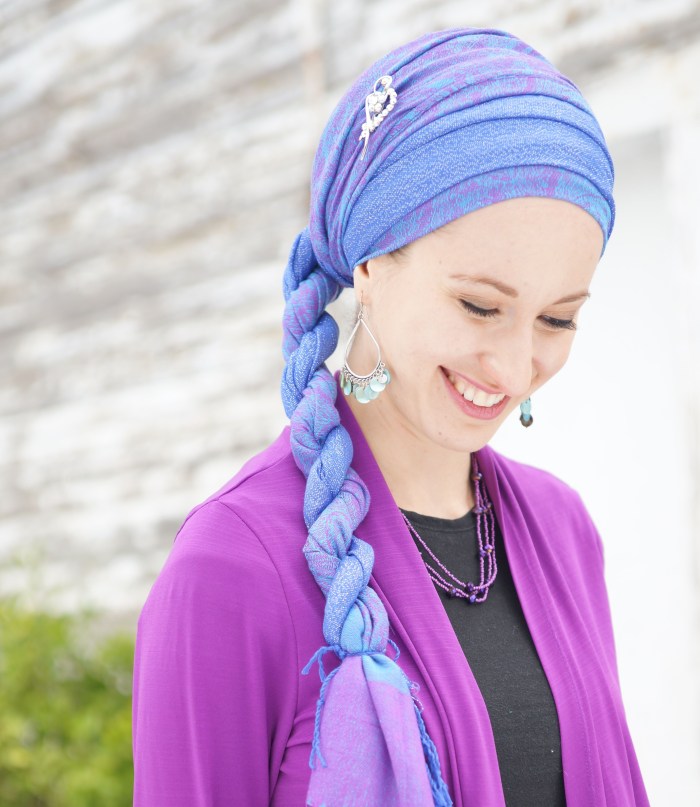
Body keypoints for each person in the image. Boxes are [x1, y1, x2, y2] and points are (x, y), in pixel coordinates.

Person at [132, 27, 650, 807]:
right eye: (480, 305)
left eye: (557, 320)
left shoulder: (562, 529)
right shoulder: (234, 565)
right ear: (371, 266)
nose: (513, 367)